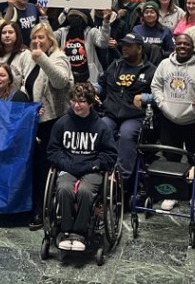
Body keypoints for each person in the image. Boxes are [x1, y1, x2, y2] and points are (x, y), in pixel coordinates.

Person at [46, 82, 117, 252]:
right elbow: (53, 151)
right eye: (74, 101)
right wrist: (67, 164)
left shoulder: (101, 126)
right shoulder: (62, 124)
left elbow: (110, 155)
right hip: (68, 167)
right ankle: (66, 230)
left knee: (85, 191)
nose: (77, 105)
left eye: (82, 101)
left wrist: (94, 165)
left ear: (91, 103)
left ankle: (80, 232)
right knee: (63, 188)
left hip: (92, 169)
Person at [150, 34, 195, 211]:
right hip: (169, 120)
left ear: (192, 47)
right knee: (171, 159)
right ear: (174, 46)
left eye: (186, 44)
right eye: (179, 44)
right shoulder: (164, 65)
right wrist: (162, 104)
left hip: (193, 122)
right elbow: (155, 86)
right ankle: (173, 193)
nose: (182, 46)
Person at [25, 23, 74, 230]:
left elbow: (61, 81)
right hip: (34, 122)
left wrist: (42, 58)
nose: (37, 42)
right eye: (34, 38)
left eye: (42, 38)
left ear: (50, 40)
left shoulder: (58, 57)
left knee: (43, 166)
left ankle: (41, 209)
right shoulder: (31, 60)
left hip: (55, 123)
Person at [98, 33, 156, 188]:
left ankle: (122, 179)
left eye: (129, 46)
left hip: (134, 116)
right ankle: (100, 170)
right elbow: (101, 85)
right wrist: (90, 90)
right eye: (123, 45)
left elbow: (160, 96)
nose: (124, 48)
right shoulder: (115, 65)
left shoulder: (151, 70)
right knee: (101, 128)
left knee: (126, 134)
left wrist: (145, 98)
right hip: (111, 113)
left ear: (139, 48)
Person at [0, 20, 33, 86]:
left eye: (10, 32)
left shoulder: (25, 54)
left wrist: (19, 96)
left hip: (17, 95)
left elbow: (27, 81)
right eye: (4, 33)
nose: (7, 35)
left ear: (17, 34)